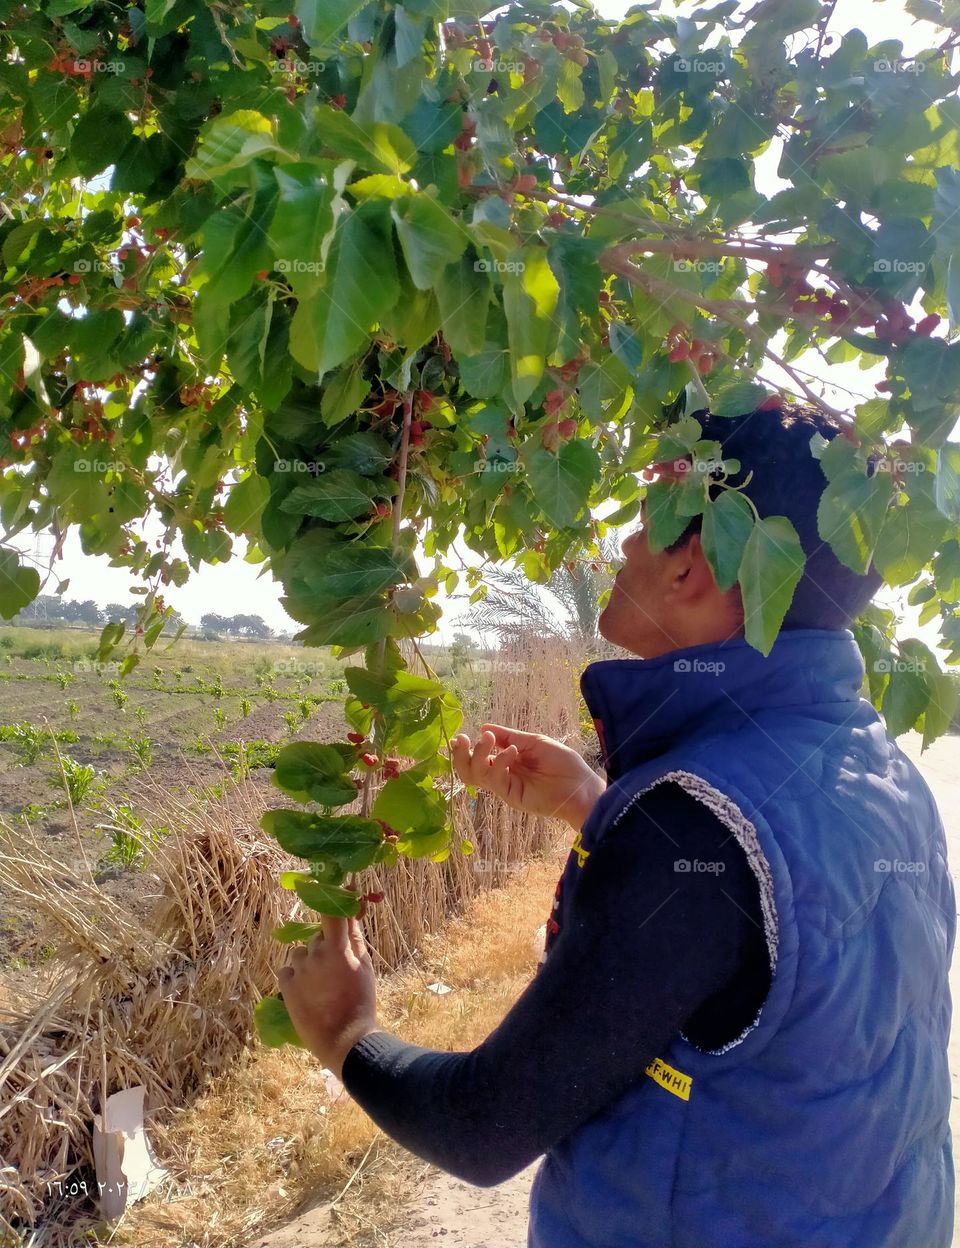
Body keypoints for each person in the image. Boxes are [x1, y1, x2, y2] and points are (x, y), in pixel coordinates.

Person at [278, 406, 956, 1248]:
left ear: (691, 571)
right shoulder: (879, 770)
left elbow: (484, 1127)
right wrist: (594, 805)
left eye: (643, 527)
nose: (624, 551)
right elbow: (756, 947)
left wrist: (346, 1032)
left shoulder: (697, 831)